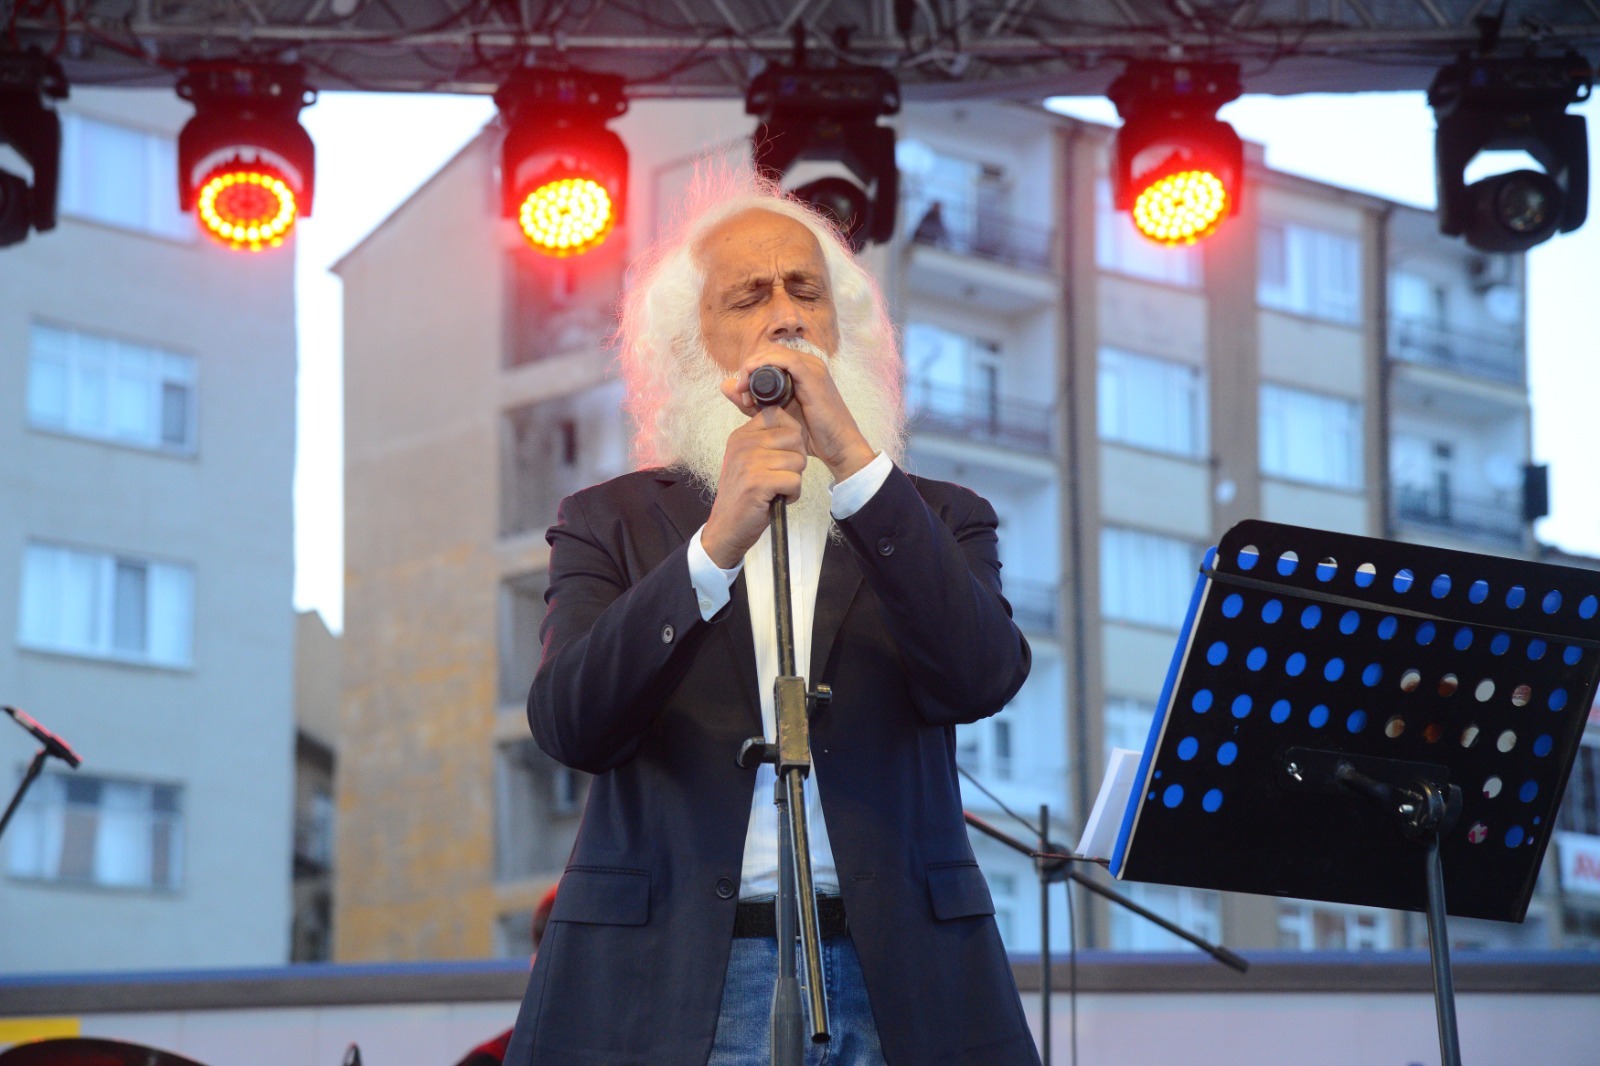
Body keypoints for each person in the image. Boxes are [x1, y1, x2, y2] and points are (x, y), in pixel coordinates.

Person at [502, 171, 1037, 1066]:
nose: (785, 315)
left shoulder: (940, 517)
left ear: (842, 327)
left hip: (902, 973)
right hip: (671, 974)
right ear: (692, 345)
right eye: (749, 297)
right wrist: (714, 546)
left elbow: (982, 676)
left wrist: (856, 468)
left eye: (805, 292)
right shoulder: (608, 521)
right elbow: (570, 724)